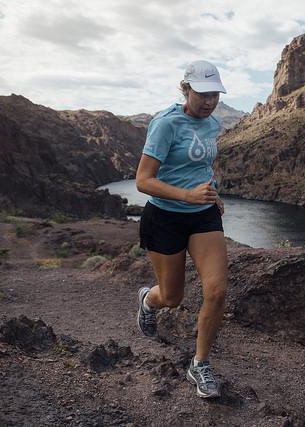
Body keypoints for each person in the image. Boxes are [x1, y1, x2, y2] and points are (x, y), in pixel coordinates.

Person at [135, 60, 227, 398]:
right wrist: (186, 195)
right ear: (185, 89)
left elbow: (203, 163)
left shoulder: (213, 123)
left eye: (214, 94)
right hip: (165, 216)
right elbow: (143, 181)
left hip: (203, 215)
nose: (209, 102)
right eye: (202, 94)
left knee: (216, 290)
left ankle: (199, 364)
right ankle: (148, 300)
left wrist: (211, 192)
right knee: (171, 297)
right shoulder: (165, 124)